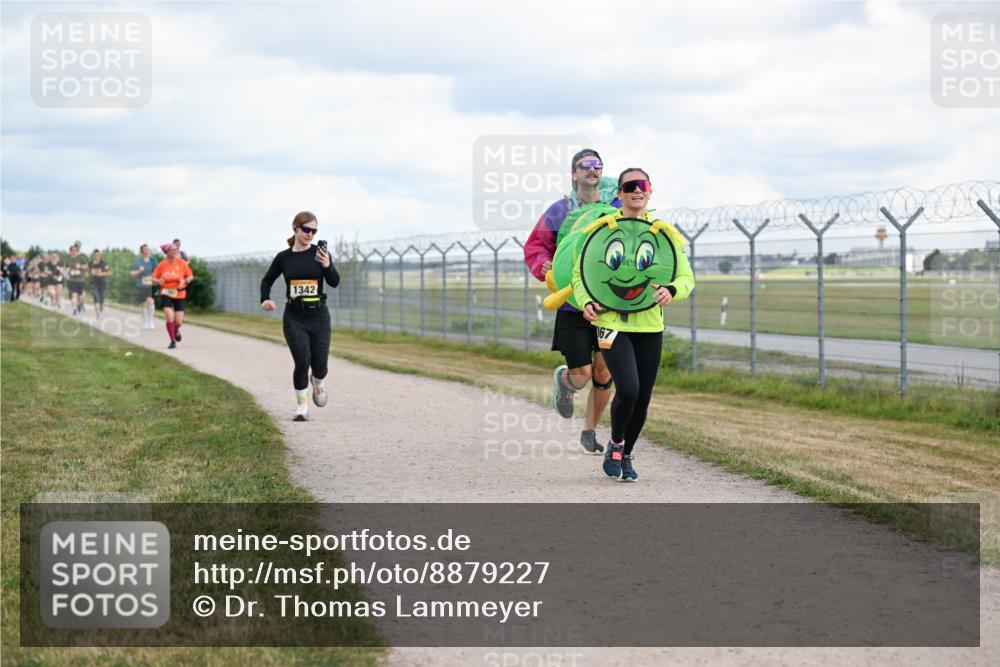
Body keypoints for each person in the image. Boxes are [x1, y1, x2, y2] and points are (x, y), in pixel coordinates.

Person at [574, 168, 694, 481]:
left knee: (643, 397)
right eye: (629, 186)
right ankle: (615, 443)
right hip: (609, 321)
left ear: (650, 191)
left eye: (642, 185)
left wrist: (672, 290)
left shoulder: (663, 234)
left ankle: (625, 454)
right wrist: (586, 300)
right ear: (620, 193)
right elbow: (582, 273)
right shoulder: (601, 231)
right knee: (628, 387)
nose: (636, 191)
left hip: (649, 326)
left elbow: (686, 278)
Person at [523, 148, 618, 453]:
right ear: (574, 174)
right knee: (583, 374)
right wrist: (545, 266)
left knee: (604, 372)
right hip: (572, 304)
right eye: (585, 165)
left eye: (597, 165)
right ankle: (565, 384)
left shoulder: (615, 207)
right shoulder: (559, 210)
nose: (593, 169)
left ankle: (589, 431)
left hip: (608, 304)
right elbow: (536, 246)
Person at [260, 211, 340, 422]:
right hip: (294, 317)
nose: (310, 234)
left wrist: (327, 265)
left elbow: (334, 281)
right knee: (302, 361)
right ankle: (301, 406)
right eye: (307, 230)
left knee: (320, 365)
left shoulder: (319, 255)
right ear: (295, 228)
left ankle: (318, 381)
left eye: (314, 231)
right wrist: (265, 299)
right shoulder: (283, 258)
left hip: (319, 316)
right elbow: (266, 281)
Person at [152, 243, 194, 349]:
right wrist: (158, 281)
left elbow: (190, 276)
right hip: (166, 292)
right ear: (167, 252)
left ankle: (175, 330)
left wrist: (185, 280)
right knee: (169, 315)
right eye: (173, 250)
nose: (176, 252)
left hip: (180, 293)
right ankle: (172, 341)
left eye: (176, 250)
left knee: (179, 321)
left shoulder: (182, 263)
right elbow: (153, 278)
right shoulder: (162, 264)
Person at [131, 244, 158, 329]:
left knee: (151, 301)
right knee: (143, 304)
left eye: (148, 249)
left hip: (151, 284)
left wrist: (156, 280)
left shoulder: (153, 260)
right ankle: (145, 321)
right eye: (145, 249)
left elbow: (157, 271)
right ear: (142, 251)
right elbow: (132, 274)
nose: (147, 250)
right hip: (141, 285)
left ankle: (151, 321)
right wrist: (139, 271)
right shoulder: (138, 262)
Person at [66, 244, 89, 315]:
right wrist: (66, 273)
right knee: (74, 295)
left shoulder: (81, 258)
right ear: (70, 251)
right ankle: (75, 309)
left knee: (81, 296)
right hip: (71, 280)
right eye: (72, 250)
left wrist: (81, 266)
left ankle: (80, 305)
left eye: (75, 250)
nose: (74, 252)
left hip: (80, 280)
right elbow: (65, 269)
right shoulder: (67, 259)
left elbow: (87, 267)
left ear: (77, 251)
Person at [88, 249, 111, 319]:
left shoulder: (103, 263)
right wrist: (88, 274)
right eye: (95, 255)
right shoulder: (91, 263)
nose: (97, 256)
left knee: (101, 299)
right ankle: (98, 313)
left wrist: (101, 274)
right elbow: (88, 272)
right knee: (96, 298)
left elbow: (109, 273)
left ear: (100, 255)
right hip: (94, 283)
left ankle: (101, 307)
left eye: (98, 255)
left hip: (102, 283)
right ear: (93, 256)